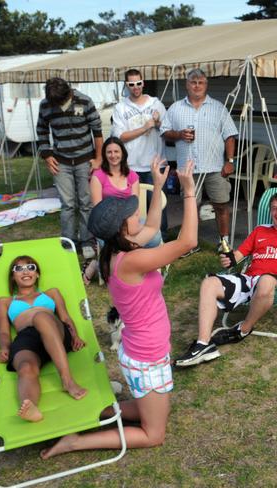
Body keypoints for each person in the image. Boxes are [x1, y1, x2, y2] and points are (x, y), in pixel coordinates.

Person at [40, 160, 197, 459]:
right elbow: (187, 241)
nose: (135, 214)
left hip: (142, 351)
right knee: (154, 434)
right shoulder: (132, 261)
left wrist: (159, 184)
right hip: (146, 357)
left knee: (151, 408)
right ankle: (75, 442)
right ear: (123, 226)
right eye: (130, 214)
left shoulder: (116, 250)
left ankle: (93, 413)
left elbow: (151, 226)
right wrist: (188, 192)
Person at [174, 191, 277, 367]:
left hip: (274, 282)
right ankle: (203, 344)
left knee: (265, 281)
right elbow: (238, 255)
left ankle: (243, 329)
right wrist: (229, 259)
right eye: (274, 209)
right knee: (209, 283)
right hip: (247, 279)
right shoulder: (259, 231)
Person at [0, 256, 86, 423]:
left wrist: (75, 336)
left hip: (55, 331)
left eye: (30, 267)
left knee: (41, 318)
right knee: (25, 367)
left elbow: (65, 318)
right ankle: (31, 406)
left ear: (37, 274)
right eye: (19, 269)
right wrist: (4, 348)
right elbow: (3, 332)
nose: (25, 271)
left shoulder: (51, 293)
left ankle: (67, 381)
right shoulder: (5, 302)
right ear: (12, 277)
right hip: (27, 338)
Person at [161, 68, 238, 254]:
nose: (197, 86)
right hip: (187, 168)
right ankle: (190, 243)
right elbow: (164, 132)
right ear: (187, 85)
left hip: (214, 166)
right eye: (193, 82)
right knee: (190, 206)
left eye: (201, 82)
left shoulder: (218, 107)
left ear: (206, 85)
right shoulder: (175, 108)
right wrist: (179, 134)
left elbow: (230, 135)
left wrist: (229, 160)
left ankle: (224, 242)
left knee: (221, 205)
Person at [37, 77, 103, 260]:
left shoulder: (85, 101)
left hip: (85, 160)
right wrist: (47, 155)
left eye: (61, 101)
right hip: (61, 162)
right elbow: (41, 131)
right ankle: (68, 242)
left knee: (86, 203)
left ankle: (88, 242)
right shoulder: (45, 105)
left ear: (68, 93)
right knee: (67, 205)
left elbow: (97, 131)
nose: (58, 105)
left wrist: (98, 158)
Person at [111, 68, 168, 237]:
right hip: (131, 165)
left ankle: (161, 236)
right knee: (132, 205)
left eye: (138, 83)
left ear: (143, 83)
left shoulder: (156, 104)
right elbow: (120, 137)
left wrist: (157, 122)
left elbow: (167, 129)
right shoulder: (120, 108)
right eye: (131, 84)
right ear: (126, 85)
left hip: (155, 163)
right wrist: (144, 128)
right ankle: (135, 235)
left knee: (157, 202)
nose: (136, 87)